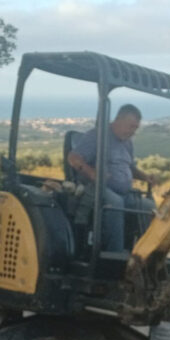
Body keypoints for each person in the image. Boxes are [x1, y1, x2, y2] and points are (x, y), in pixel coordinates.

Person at [66, 104, 156, 252]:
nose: (133, 132)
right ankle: (114, 253)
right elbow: (73, 157)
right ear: (118, 119)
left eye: (135, 128)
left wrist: (145, 177)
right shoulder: (96, 136)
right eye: (131, 127)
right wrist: (92, 173)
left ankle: (144, 253)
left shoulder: (127, 143)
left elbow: (130, 167)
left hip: (125, 193)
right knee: (116, 203)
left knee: (148, 207)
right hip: (97, 190)